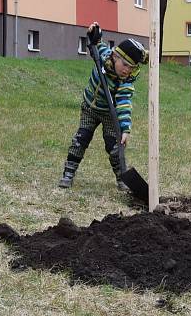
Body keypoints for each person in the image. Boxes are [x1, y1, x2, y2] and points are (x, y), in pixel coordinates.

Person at [58, 22, 148, 191]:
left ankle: (122, 178)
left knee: (114, 146)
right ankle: (68, 173)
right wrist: (94, 31)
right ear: (115, 57)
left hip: (110, 113)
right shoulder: (103, 55)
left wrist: (125, 129)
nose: (127, 70)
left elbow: (124, 103)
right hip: (90, 108)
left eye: (132, 68)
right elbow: (96, 42)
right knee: (81, 139)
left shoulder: (126, 80)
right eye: (125, 65)